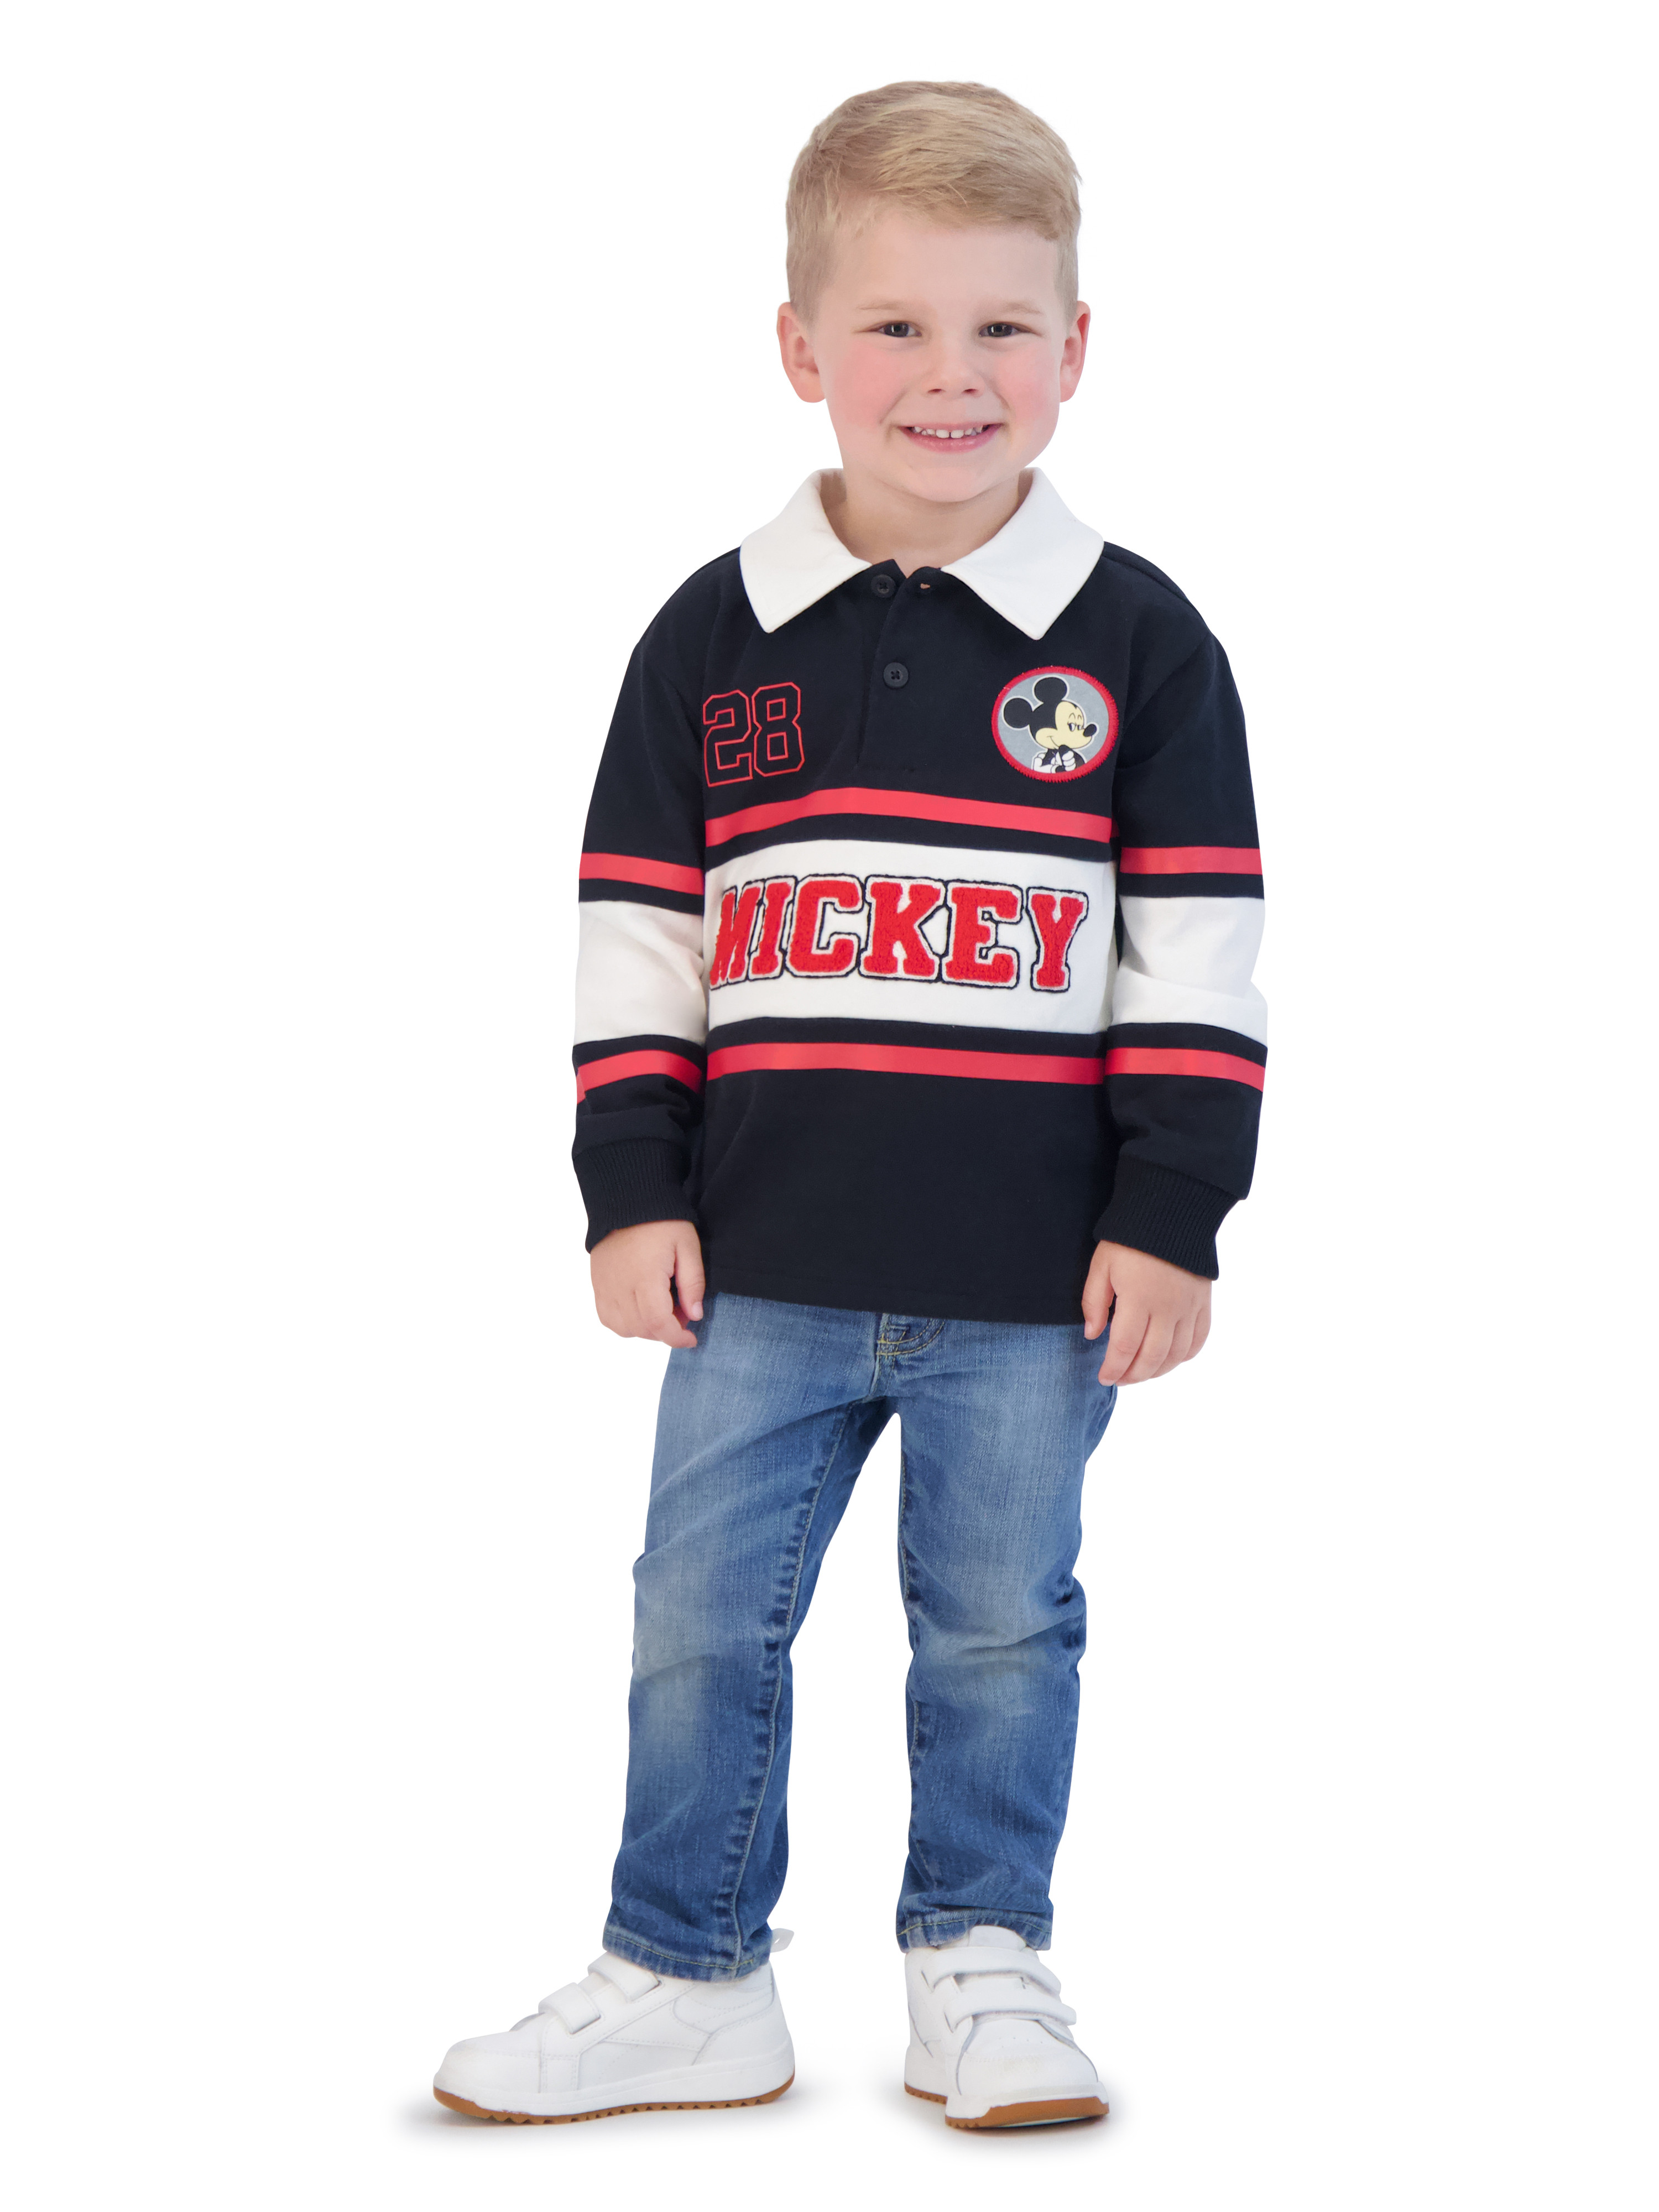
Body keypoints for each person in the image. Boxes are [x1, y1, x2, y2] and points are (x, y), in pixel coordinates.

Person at [434, 79, 1266, 2132]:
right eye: (895, 326)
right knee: (696, 1621)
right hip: (758, 1263)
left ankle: (981, 1964)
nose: (950, 375)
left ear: (1077, 350)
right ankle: (685, 1971)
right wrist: (629, 1187)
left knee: (999, 1632)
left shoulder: (1141, 644)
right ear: (802, 348)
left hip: (1034, 1278)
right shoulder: (713, 636)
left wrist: (1173, 1213)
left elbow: (1195, 955)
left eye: (1002, 327)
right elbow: (642, 940)